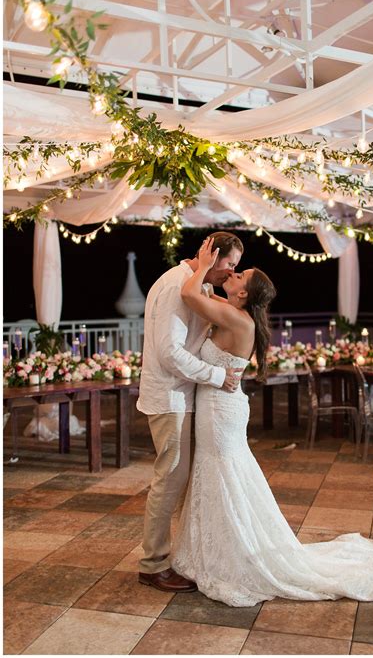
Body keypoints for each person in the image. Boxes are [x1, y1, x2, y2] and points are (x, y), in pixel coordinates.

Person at [171, 237, 373, 607]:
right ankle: (221, 548)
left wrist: (202, 265)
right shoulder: (234, 310)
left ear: (244, 296)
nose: (232, 273)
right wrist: (202, 269)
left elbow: (189, 295)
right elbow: (199, 292)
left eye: (240, 274)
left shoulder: (236, 317)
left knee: (222, 474)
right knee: (220, 474)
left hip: (220, 411)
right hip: (219, 406)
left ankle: (234, 554)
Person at [137, 232, 245, 593]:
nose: (232, 273)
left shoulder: (195, 285)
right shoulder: (175, 286)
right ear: (212, 255)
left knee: (181, 480)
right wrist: (217, 376)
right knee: (169, 481)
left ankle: (182, 556)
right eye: (230, 264)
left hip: (185, 395)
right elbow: (170, 353)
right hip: (170, 398)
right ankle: (153, 565)